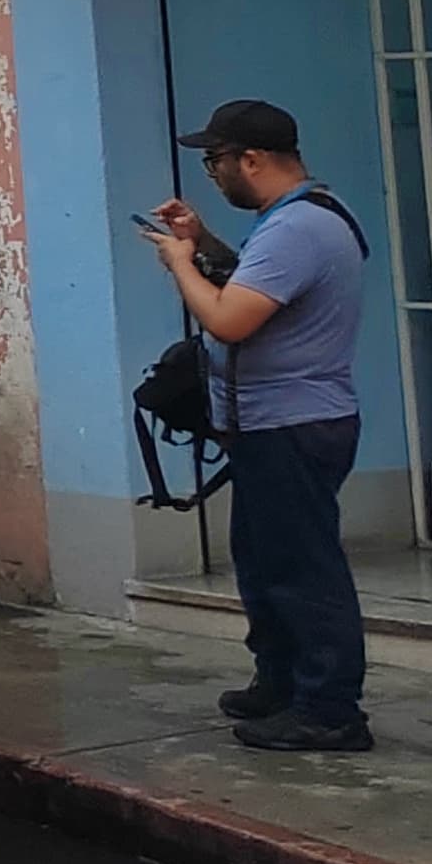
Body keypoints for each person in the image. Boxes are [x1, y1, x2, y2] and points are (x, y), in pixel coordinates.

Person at [144, 99, 373, 754]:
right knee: (264, 562)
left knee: (303, 571)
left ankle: (329, 708)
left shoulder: (298, 228)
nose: (211, 173)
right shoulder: (296, 221)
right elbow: (253, 283)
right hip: (274, 424)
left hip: (293, 425)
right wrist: (207, 244)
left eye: (215, 160)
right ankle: (281, 681)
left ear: (253, 159)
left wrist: (181, 264)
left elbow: (230, 319)